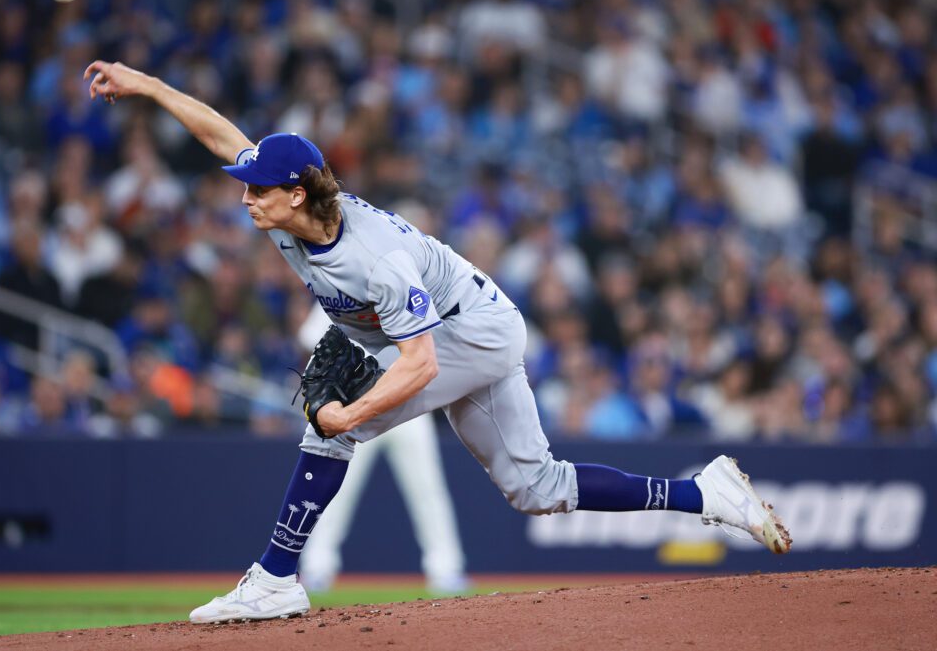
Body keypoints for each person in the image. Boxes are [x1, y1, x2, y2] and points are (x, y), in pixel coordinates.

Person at [84, 59, 792, 625]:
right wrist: (145, 85)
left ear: (296, 193)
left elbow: (419, 362)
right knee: (535, 486)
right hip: (472, 321)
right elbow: (222, 134)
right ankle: (704, 491)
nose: (245, 198)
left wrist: (347, 416)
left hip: (469, 332)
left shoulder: (374, 259)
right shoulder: (289, 210)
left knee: (327, 429)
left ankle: (273, 575)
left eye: (258, 190)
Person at [296, 305, 468, 594]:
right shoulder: (341, 291)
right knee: (339, 490)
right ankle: (317, 567)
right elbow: (309, 339)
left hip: (408, 404)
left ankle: (446, 569)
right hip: (358, 407)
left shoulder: (402, 284)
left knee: (428, 490)